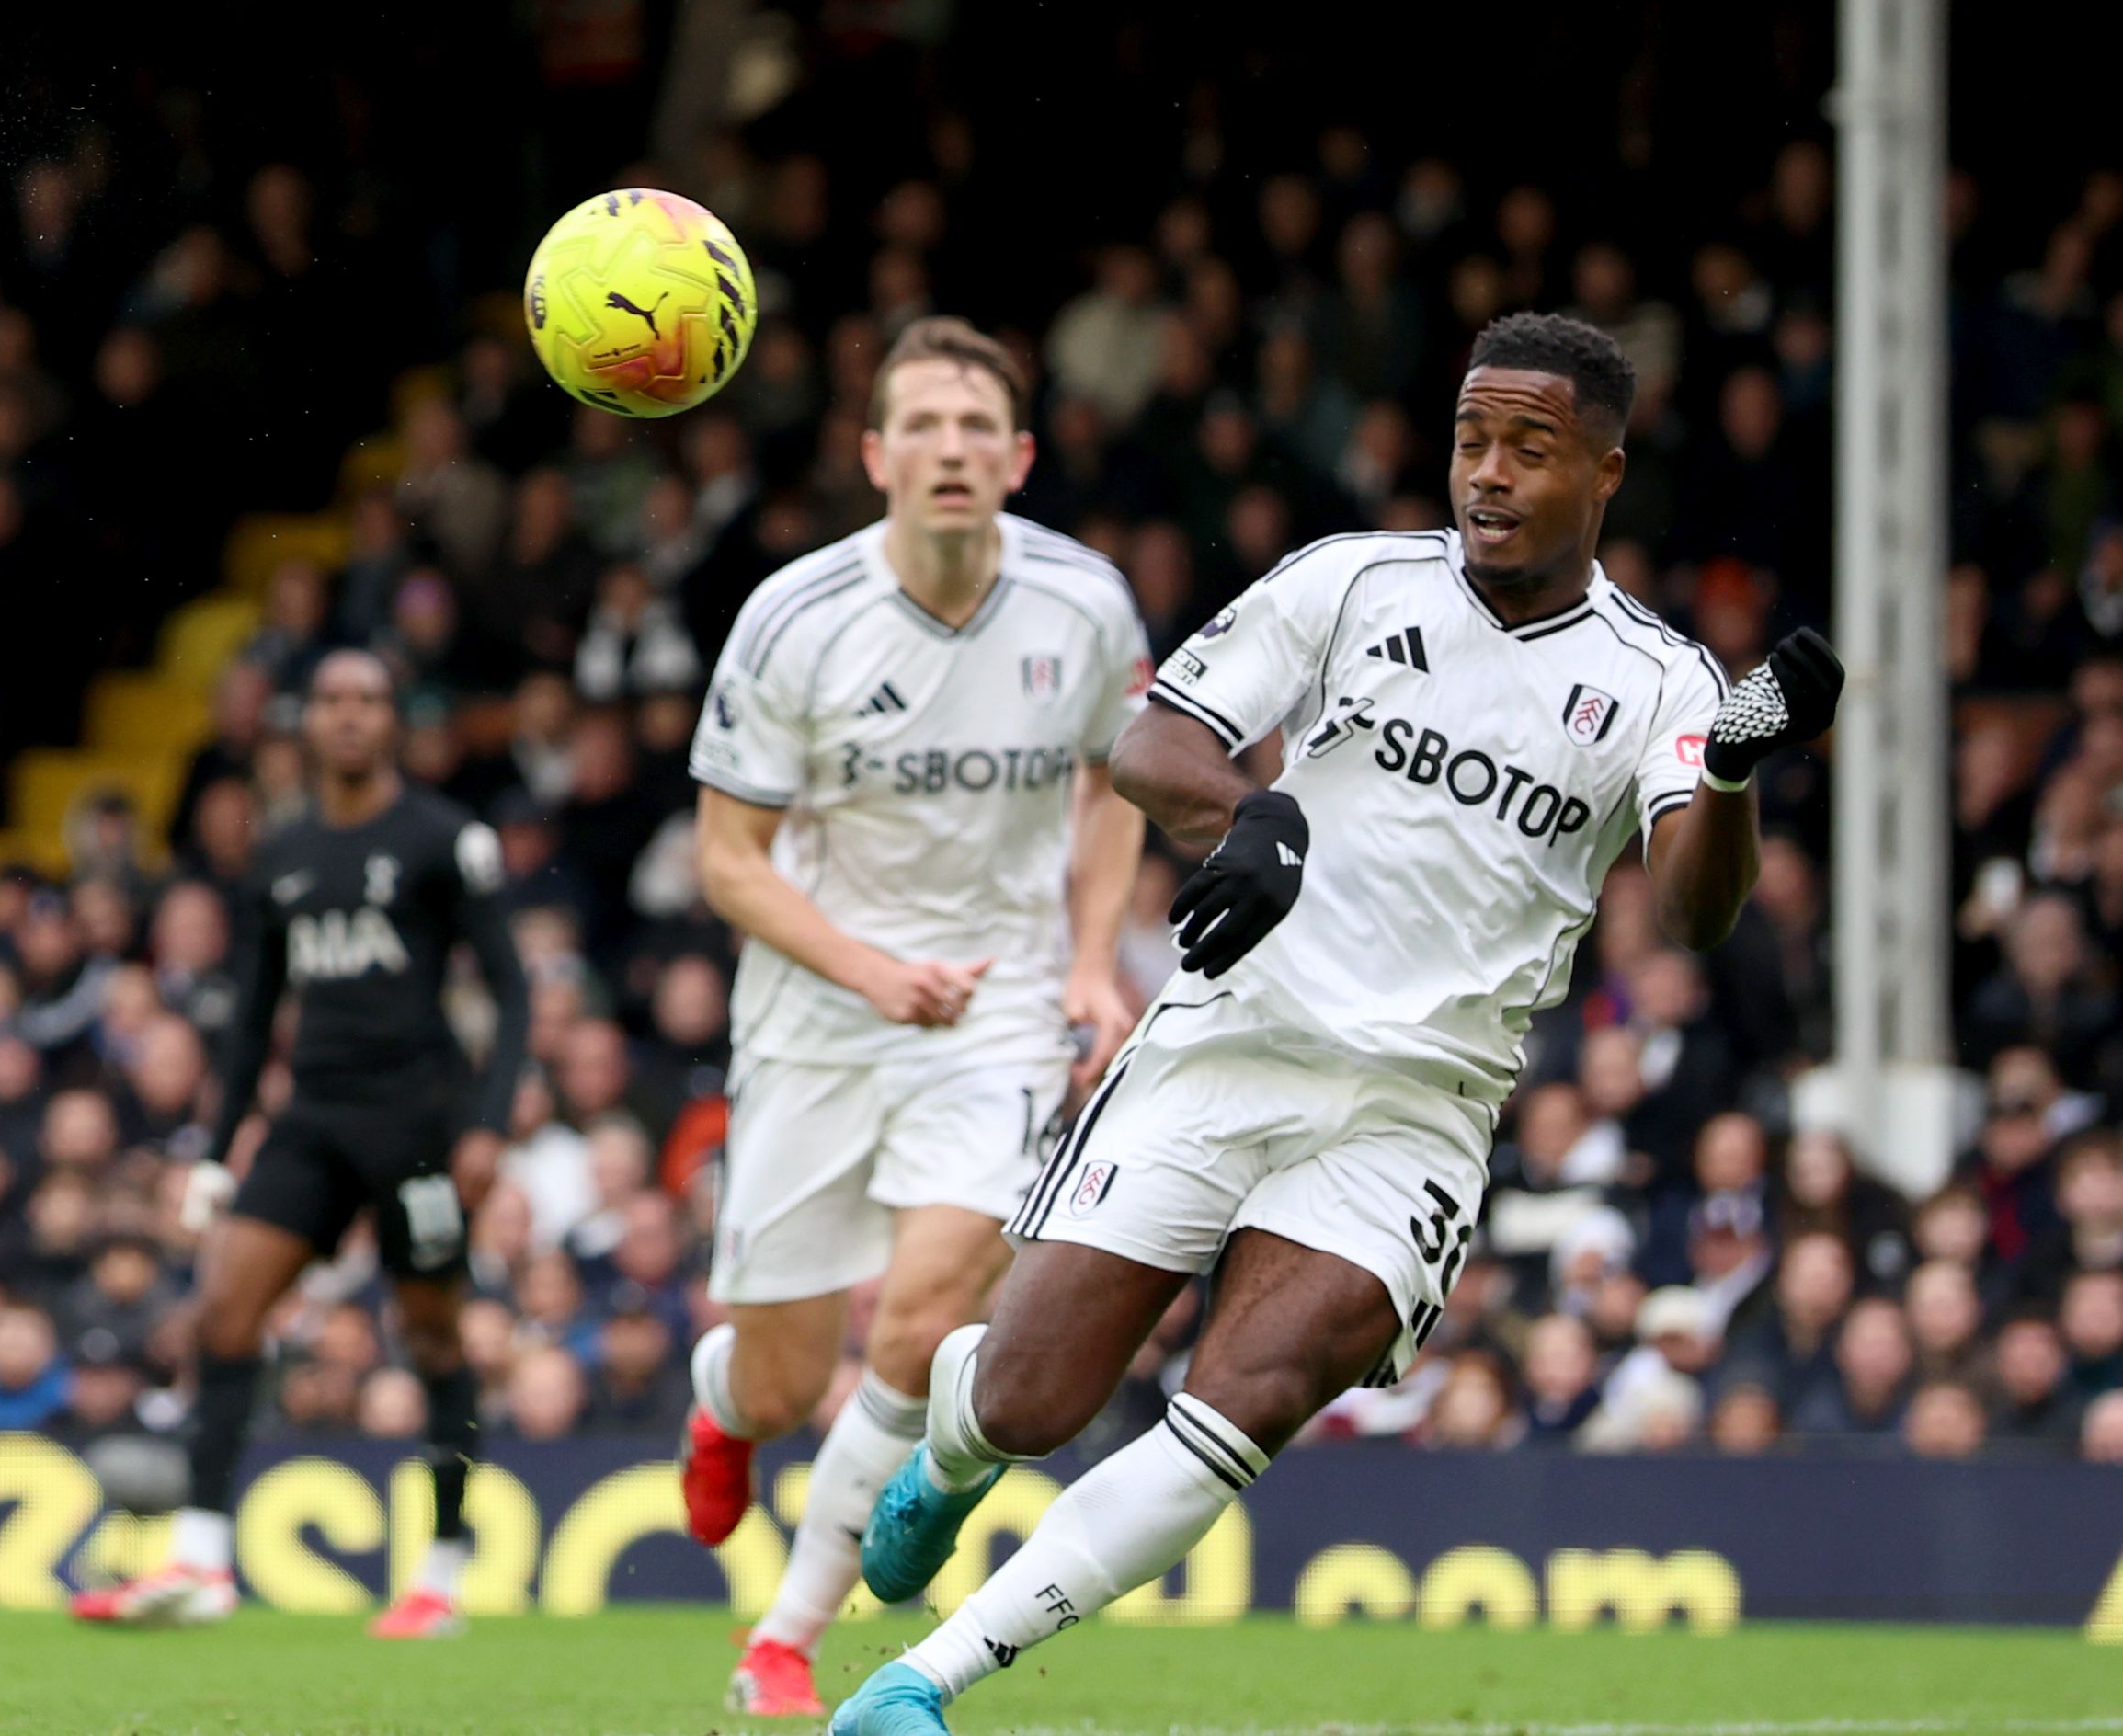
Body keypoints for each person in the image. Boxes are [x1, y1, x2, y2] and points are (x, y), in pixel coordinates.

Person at [826, 314, 1842, 1733]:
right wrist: (1248, 816)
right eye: (1470, 439)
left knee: (1242, 1399)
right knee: (1027, 1399)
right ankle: (952, 1445)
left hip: (1415, 1109)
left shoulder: (1659, 680)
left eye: (1527, 446)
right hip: (1228, 1037)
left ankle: (919, 1680)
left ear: (1604, 471)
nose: (1486, 472)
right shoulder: (1351, 580)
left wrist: (1727, 772)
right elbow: (1149, 740)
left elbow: (1692, 910)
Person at [669, 320, 1149, 1719]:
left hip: (996, 1015)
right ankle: (722, 1402)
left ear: (1019, 456)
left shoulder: (1086, 604)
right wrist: (869, 969)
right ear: (875, 455)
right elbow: (726, 860)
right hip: (815, 1016)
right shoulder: (795, 615)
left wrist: (1088, 960)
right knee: (779, 1377)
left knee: (923, 1320)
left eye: (974, 425)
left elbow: (1111, 781)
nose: (950, 447)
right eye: (922, 425)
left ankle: (785, 1634)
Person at [68, 647, 532, 1641]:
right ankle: (201, 1561)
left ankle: (441, 1572)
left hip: (417, 1123)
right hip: (312, 1117)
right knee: (223, 1313)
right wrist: (213, 1150)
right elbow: (252, 1017)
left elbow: (513, 988)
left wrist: (488, 1123)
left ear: (393, 719)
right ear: (306, 722)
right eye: (331, 699)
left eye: (368, 699)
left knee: (433, 1337)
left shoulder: (442, 839)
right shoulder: (280, 853)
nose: (350, 714)